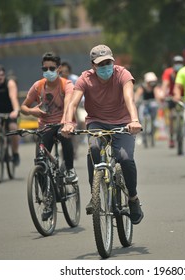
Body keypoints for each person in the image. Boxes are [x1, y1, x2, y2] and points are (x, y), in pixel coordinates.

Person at [61, 44, 144, 225]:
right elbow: (73, 103)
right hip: (97, 122)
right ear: (93, 65)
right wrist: (68, 122)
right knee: (95, 148)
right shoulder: (85, 78)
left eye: (108, 62)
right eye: (101, 64)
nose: (105, 66)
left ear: (113, 61)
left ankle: (133, 198)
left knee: (125, 158)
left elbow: (129, 98)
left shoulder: (122, 74)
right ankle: (96, 194)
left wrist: (134, 120)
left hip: (123, 122)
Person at [20, 52, 77, 182]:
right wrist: (31, 111)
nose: (48, 71)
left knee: (64, 135)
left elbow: (69, 104)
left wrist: (65, 122)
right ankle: (46, 196)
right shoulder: (38, 86)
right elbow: (23, 107)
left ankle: (69, 169)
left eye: (52, 68)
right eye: (45, 69)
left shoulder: (66, 84)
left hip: (63, 123)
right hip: (45, 126)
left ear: (59, 69)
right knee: (40, 162)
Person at [161, 55, 184, 148]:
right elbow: (165, 83)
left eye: (180, 63)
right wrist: (163, 93)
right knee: (171, 116)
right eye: (176, 63)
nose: (178, 65)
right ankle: (171, 137)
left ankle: (183, 132)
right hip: (171, 97)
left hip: (184, 97)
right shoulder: (168, 72)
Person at [134, 71, 162, 146]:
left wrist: (159, 100)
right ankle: (143, 131)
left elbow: (157, 95)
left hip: (152, 103)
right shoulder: (142, 87)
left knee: (154, 110)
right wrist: (134, 102)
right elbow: (137, 95)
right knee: (141, 115)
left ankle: (153, 127)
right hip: (144, 103)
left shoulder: (155, 87)